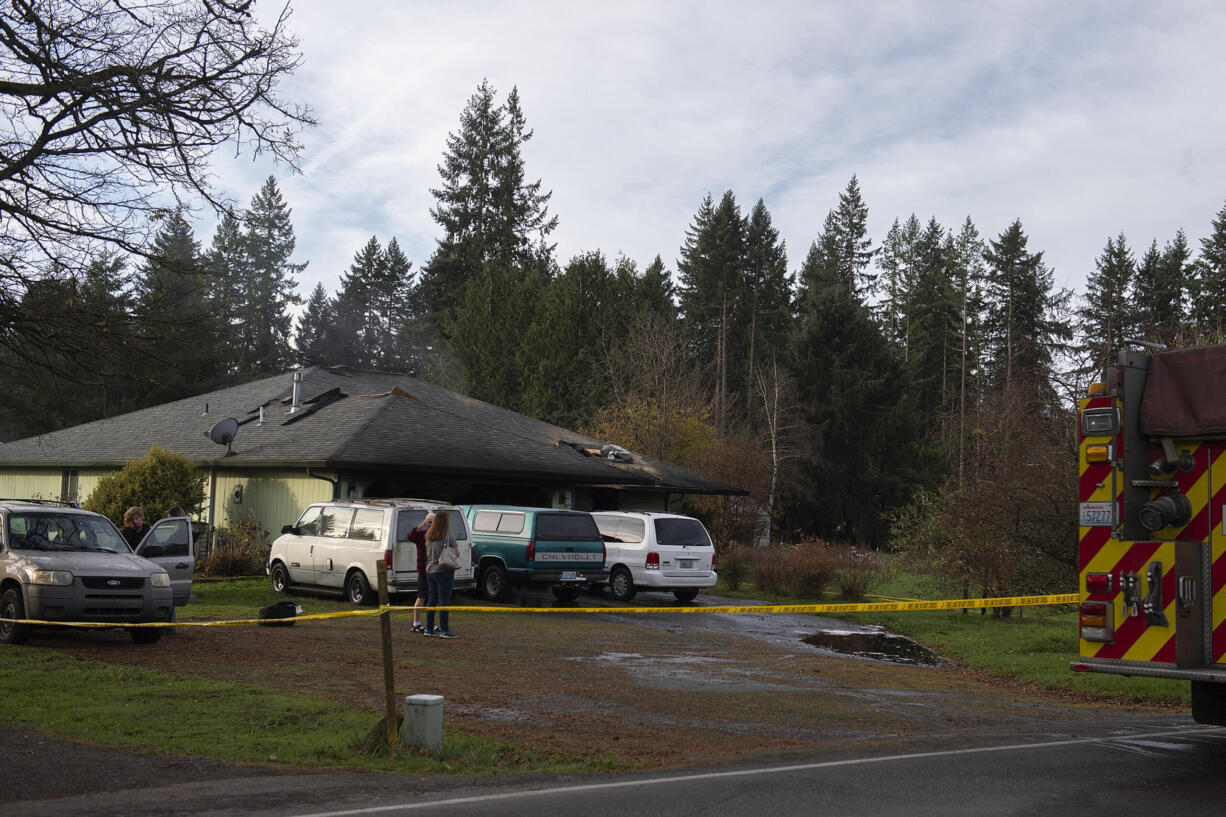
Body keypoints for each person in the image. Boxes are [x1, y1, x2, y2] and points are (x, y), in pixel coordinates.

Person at [423, 510, 460, 638]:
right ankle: (444, 630)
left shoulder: (429, 535)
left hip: (430, 570)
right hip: (444, 571)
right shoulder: (449, 536)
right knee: (444, 600)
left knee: (431, 600)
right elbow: (456, 553)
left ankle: (429, 628)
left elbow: (427, 552)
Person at [403, 514, 432, 633]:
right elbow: (411, 536)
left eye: (433, 522)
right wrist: (423, 523)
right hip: (423, 570)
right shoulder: (422, 535)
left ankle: (431, 623)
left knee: (433, 598)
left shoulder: (439, 536)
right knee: (421, 597)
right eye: (430, 522)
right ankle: (416, 623)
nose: (431, 525)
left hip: (435, 570)